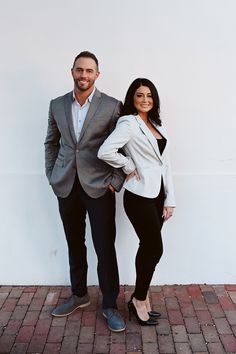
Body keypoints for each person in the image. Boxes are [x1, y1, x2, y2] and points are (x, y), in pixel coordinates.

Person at [44, 51, 126, 332]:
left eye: (89, 71)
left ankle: (110, 305)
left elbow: (124, 148)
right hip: (66, 185)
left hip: (100, 186)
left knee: (104, 247)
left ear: (97, 75)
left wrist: (116, 182)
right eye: (79, 70)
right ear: (72, 72)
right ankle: (79, 295)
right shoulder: (57, 105)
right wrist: (52, 175)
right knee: (74, 243)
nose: (84, 75)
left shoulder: (113, 106)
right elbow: (51, 143)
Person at [98, 78, 176, 326]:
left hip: (158, 195)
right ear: (132, 98)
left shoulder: (155, 124)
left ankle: (139, 297)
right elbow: (105, 151)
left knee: (148, 247)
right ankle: (139, 299)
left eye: (149, 95)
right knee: (155, 248)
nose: (145, 100)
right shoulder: (128, 123)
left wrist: (169, 199)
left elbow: (166, 165)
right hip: (139, 195)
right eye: (140, 95)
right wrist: (129, 165)